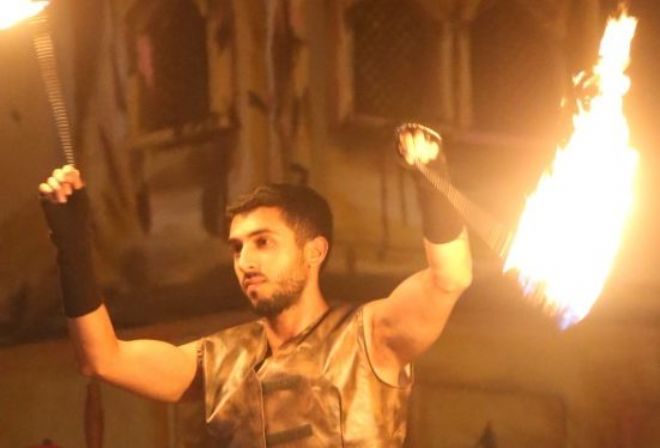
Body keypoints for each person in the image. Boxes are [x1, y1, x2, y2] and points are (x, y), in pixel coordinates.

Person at [38, 125, 472, 446]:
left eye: (263, 242)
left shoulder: (370, 335)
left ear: (314, 251)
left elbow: (449, 278)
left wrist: (433, 178)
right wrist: (71, 245)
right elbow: (101, 359)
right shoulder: (217, 360)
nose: (245, 262)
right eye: (236, 248)